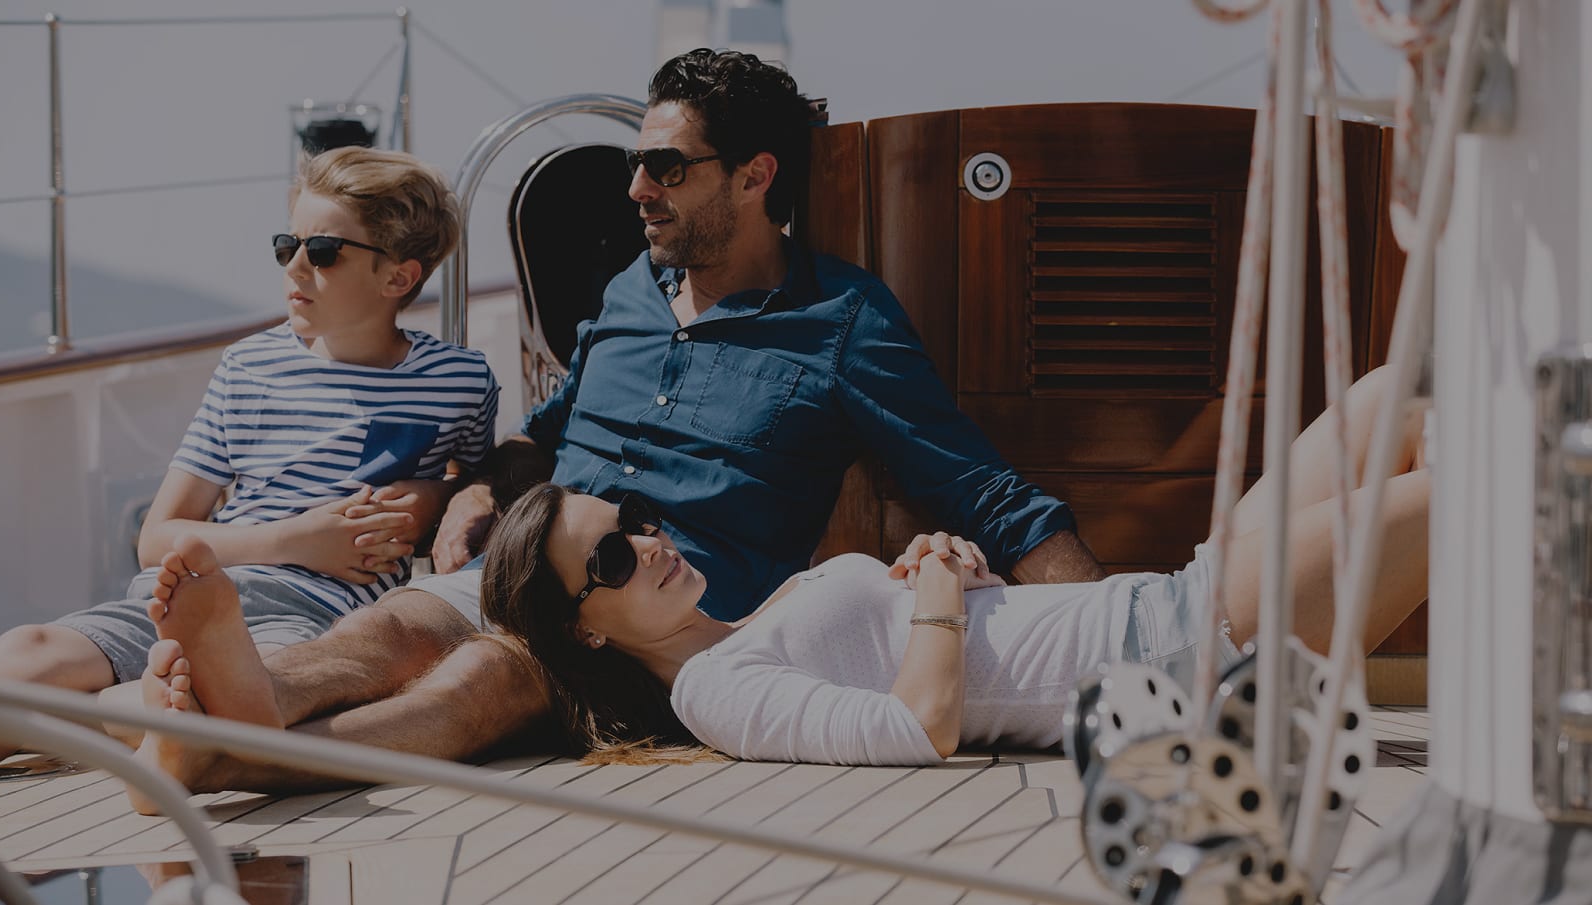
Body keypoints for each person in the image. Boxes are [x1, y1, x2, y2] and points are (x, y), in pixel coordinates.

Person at [115, 47, 1106, 798]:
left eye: (667, 169)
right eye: (638, 165)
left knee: (490, 676)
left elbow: (986, 492)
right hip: (530, 562)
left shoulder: (844, 322)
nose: (636, 190)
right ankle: (251, 703)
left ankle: (230, 748)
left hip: (647, 623)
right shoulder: (634, 287)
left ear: (755, 177)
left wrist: (1097, 625)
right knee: (396, 625)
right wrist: (477, 484)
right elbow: (550, 423)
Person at [471, 366, 1429, 764]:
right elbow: (921, 726)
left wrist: (950, 569)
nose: (646, 539)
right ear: (584, 625)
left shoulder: (750, 623)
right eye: (610, 553)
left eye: (632, 517)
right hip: (1175, 661)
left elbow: (977, 652)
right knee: (1464, 494)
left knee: (1398, 406)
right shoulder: (713, 695)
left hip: (1165, 599)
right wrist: (932, 584)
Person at [0, 146, 496, 780]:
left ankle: (120, 715)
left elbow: (479, 497)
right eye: (286, 245)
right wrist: (299, 539)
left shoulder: (458, 380)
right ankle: (127, 717)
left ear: (398, 279)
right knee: (28, 651)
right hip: (189, 592)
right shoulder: (249, 368)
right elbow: (157, 539)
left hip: (315, 621)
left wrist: (435, 500)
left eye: (324, 252)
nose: (296, 266)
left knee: (240, 696)